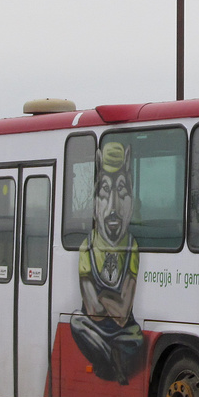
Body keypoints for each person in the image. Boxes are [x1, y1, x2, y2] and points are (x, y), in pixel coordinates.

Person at [71, 141, 145, 384]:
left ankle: (108, 360)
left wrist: (101, 295)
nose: (113, 205)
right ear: (95, 205)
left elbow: (123, 314)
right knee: (78, 322)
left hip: (124, 332)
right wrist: (110, 300)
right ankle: (113, 362)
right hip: (94, 327)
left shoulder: (132, 246)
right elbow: (93, 310)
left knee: (135, 338)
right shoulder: (86, 249)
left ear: (130, 203)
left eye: (121, 190)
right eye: (105, 191)